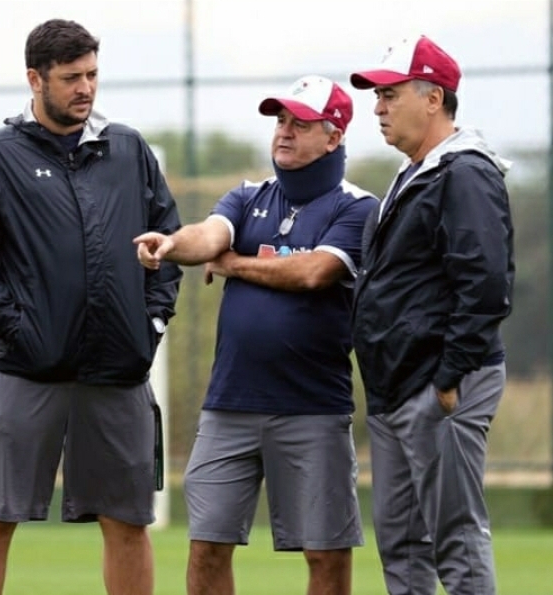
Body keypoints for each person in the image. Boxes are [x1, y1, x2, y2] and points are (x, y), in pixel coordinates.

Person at [0, 18, 182, 595]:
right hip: (26, 369)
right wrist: (25, 332)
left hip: (118, 370)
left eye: (93, 74)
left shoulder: (129, 149)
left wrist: (149, 322)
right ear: (35, 78)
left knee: (128, 521)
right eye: (71, 77)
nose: (86, 88)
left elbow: (167, 243)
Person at [135, 75, 377, 595]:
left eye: (300, 123)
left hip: (313, 407)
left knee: (325, 556)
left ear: (334, 137)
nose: (284, 133)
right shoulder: (248, 197)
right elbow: (209, 234)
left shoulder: (356, 207)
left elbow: (314, 272)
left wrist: (232, 266)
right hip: (229, 405)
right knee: (206, 548)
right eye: (280, 120)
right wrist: (172, 243)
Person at [348, 34, 515, 595]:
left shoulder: (464, 171)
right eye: (377, 96)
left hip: (438, 386)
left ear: (434, 98)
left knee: (456, 542)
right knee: (403, 549)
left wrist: (449, 377)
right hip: (398, 388)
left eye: (390, 94)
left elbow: (486, 283)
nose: (377, 107)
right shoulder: (418, 170)